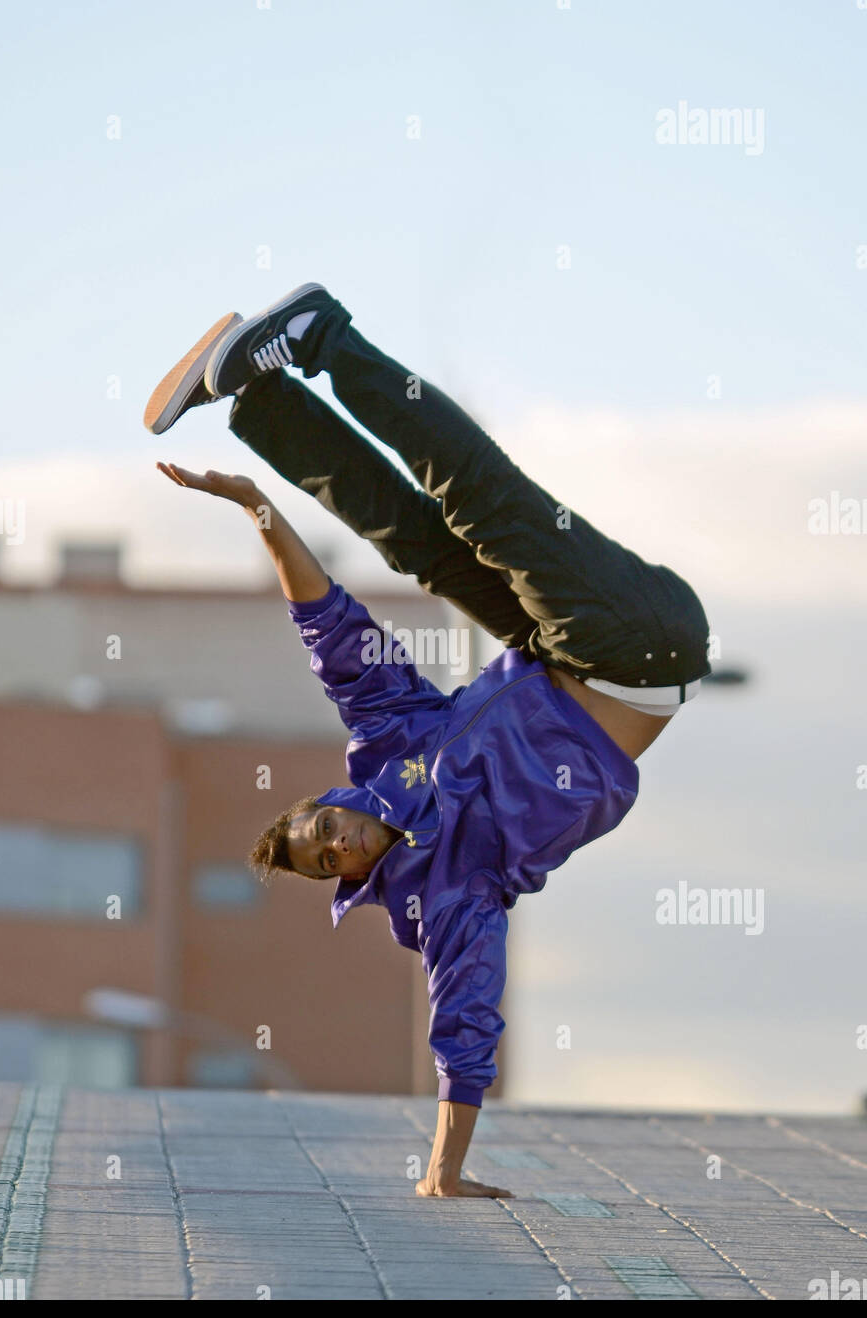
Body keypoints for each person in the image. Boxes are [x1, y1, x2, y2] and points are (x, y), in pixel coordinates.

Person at [145, 284, 711, 1199]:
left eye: (320, 826)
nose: (333, 842)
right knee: (489, 507)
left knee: (424, 549)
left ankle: (264, 400)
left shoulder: (389, 741)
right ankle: (318, 336)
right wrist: (444, 1172)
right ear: (348, 881)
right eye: (327, 861)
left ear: (332, 802)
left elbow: (330, 629)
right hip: (638, 651)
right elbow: (463, 1024)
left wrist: (257, 507)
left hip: (556, 643)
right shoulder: (449, 899)